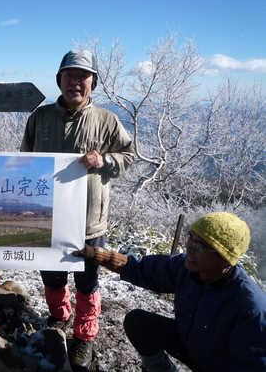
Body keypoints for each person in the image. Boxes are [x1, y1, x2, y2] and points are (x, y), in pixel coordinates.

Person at [20, 49, 134, 368]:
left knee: (87, 281)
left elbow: (127, 156)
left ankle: (84, 336)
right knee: (53, 275)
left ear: (92, 82)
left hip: (89, 222)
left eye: (82, 76)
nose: (75, 82)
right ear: (59, 80)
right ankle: (59, 318)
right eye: (69, 75)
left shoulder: (106, 120)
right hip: (46, 218)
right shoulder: (39, 118)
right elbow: (23, 161)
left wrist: (105, 161)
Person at [73, 212, 266, 371]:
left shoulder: (250, 308)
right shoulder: (187, 267)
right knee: (138, 322)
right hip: (190, 341)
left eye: (199, 246)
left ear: (225, 259)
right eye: (190, 239)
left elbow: (253, 366)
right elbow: (144, 269)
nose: (189, 248)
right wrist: (99, 255)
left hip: (218, 365)